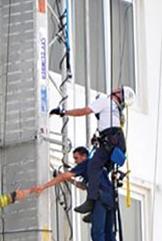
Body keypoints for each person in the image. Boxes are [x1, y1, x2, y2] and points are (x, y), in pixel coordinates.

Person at [30, 146, 132, 241]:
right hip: (111, 200)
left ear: (84, 156)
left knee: (96, 233)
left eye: (76, 158)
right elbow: (83, 186)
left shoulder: (88, 163)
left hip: (100, 199)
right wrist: (69, 180)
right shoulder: (97, 168)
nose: (75, 161)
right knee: (109, 235)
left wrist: (44, 186)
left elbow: (65, 176)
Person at [50, 86, 136, 214]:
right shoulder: (116, 110)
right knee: (102, 173)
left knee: (93, 167)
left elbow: (84, 111)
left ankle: (91, 202)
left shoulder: (104, 101)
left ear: (118, 94)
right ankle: (98, 208)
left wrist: (64, 112)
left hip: (110, 141)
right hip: (118, 143)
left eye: (118, 89)